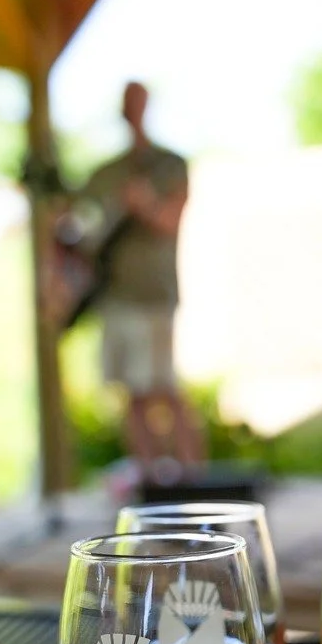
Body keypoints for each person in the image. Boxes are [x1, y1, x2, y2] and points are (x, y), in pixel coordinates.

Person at [81, 82, 202, 471]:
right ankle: (149, 477)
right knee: (133, 393)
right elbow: (80, 226)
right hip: (117, 294)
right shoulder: (106, 173)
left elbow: (170, 221)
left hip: (156, 294)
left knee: (166, 389)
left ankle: (192, 476)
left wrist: (143, 203)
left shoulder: (170, 165)